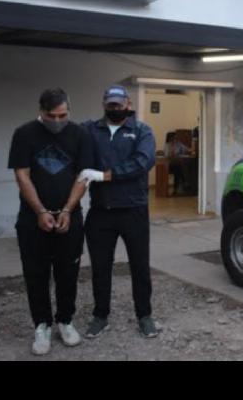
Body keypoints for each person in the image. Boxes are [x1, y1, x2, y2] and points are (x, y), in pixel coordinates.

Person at [8, 88, 93, 356]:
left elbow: (83, 175)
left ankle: (65, 321)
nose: (57, 121)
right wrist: (41, 211)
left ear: (70, 110)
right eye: (51, 116)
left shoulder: (80, 134)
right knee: (36, 273)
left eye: (63, 115)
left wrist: (67, 210)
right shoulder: (24, 134)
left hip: (70, 217)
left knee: (68, 272)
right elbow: (22, 176)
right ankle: (41, 325)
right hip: (32, 219)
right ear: (41, 111)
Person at [77, 85, 159, 339]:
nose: (115, 109)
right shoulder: (90, 129)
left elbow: (143, 162)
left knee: (140, 266)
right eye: (110, 105)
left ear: (128, 104)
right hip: (101, 211)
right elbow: (65, 135)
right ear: (104, 104)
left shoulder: (142, 131)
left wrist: (104, 175)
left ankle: (144, 316)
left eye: (119, 104)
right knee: (101, 267)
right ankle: (100, 316)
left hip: (133, 209)